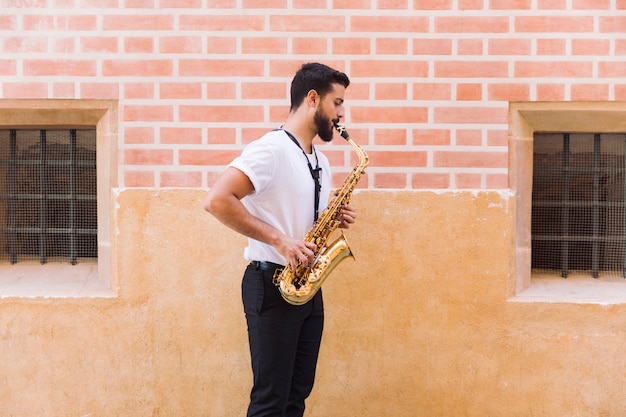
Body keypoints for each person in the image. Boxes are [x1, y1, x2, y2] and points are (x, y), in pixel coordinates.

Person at [203, 62, 356, 417]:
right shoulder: (270, 149)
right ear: (313, 99)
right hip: (271, 284)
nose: (341, 113)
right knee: (270, 400)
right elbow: (217, 200)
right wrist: (280, 241)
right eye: (337, 103)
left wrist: (334, 219)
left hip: (307, 287)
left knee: (296, 396)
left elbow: (298, 222)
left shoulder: (319, 160)